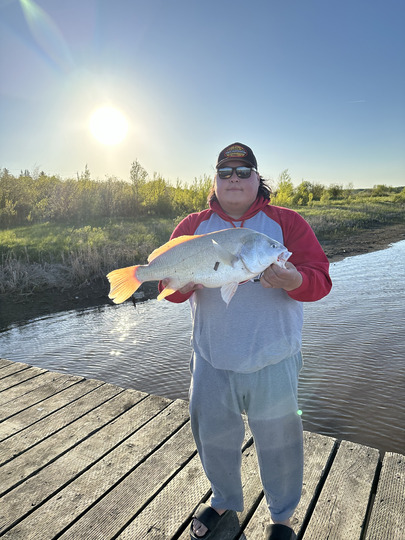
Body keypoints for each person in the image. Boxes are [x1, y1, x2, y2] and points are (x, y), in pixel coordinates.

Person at [159, 142, 332, 540]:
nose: (233, 179)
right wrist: (179, 284)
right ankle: (223, 498)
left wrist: (294, 280)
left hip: (275, 360)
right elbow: (171, 291)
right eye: (225, 173)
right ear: (214, 181)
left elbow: (320, 279)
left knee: (280, 442)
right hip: (210, 359)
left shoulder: (287, 223)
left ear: (258, 178)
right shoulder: (192, 226)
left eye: (243, 171)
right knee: (213, 438)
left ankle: (282, 517)